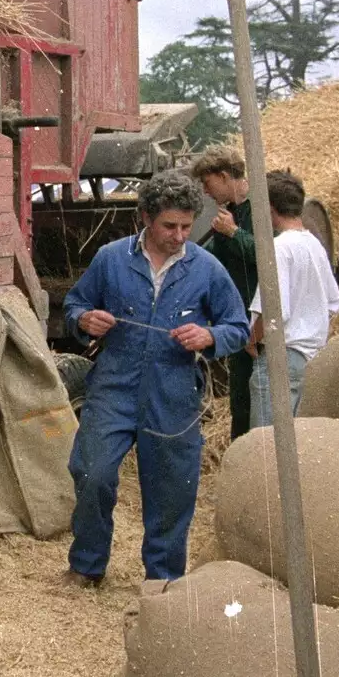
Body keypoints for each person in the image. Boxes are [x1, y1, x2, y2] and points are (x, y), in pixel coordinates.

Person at [61, 171, 249, 586]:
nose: (180, 235)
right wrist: (83, 320)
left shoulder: (208, 269)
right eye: (169, 226)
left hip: (175, 390)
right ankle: (87, 566)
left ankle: (162, 578)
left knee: (171, 488)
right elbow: (74, 305)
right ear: (145, 217)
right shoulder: (111, 258)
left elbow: (237, 326)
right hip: (113, 384)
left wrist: (210, 336)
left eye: (186, 226)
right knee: (92, 472)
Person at [247, 171, 339, 428]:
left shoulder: (278, 248)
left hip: (282, 356)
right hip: (312, 357)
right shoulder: (314, 245)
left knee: (266, 442)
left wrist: (251, 339)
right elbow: (333, 304)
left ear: (268, 206)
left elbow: (273, 309)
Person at [191, 146, 259, 440]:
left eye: (208, 184)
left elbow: (271, 257)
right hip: (238, 316)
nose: (206, 192)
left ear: (224, 176)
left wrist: (234, 234)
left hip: (261, 317)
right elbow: (213, 256)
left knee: (259, 397)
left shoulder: (260, 209)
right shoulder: (228, 214)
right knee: (240, 399)